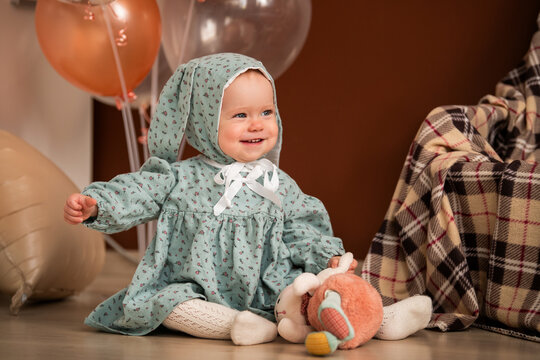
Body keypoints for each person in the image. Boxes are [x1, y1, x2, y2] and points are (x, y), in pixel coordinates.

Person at [64, 53, 430, 345]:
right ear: (205, 122)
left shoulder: (275, 182)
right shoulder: (179, 177)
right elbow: (138, 192)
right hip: (197, 285)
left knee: (317, 292)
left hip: (270, 287)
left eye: (266, 112)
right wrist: (100, 203)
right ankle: (234, 326)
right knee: (172, 304)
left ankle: (380, 319)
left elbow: (302, 225)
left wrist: (324, 256)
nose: (257, 124)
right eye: (241, 115)